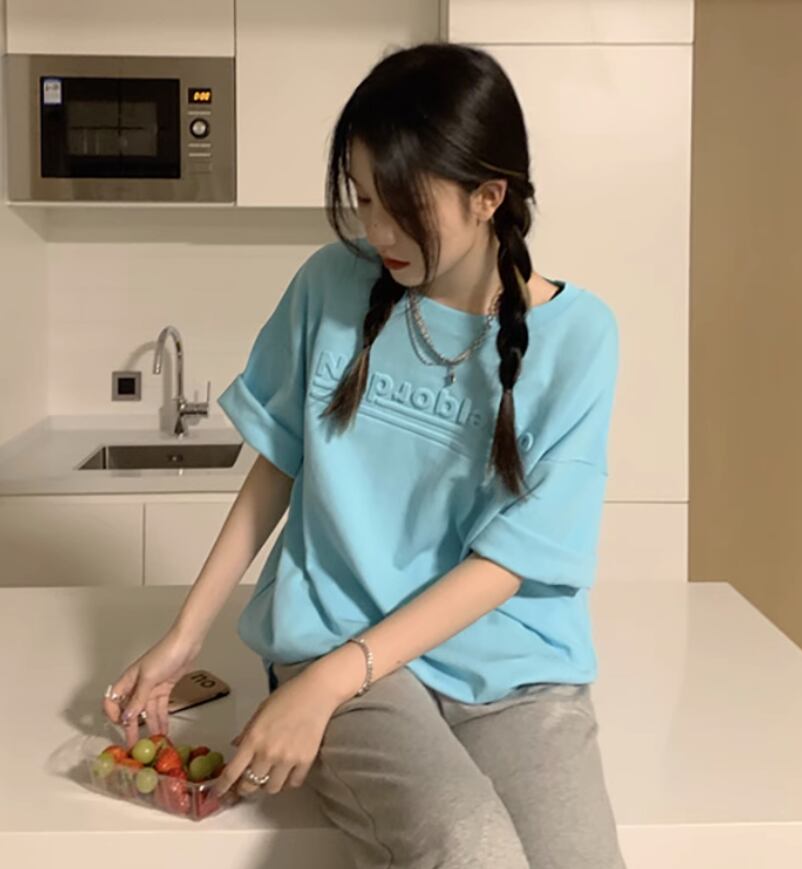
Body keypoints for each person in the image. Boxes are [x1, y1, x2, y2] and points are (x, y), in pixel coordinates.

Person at [102, 42, 626, 868]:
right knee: (469, 847)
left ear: (488, 196)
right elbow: (278, 465)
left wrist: (329, 680)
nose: (377, 231)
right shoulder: (328, 286)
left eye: (402, 205)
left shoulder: (580, 337)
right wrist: (187, 634)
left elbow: (513, 559)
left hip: (512, 666)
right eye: (363, 197)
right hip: (336, 633)